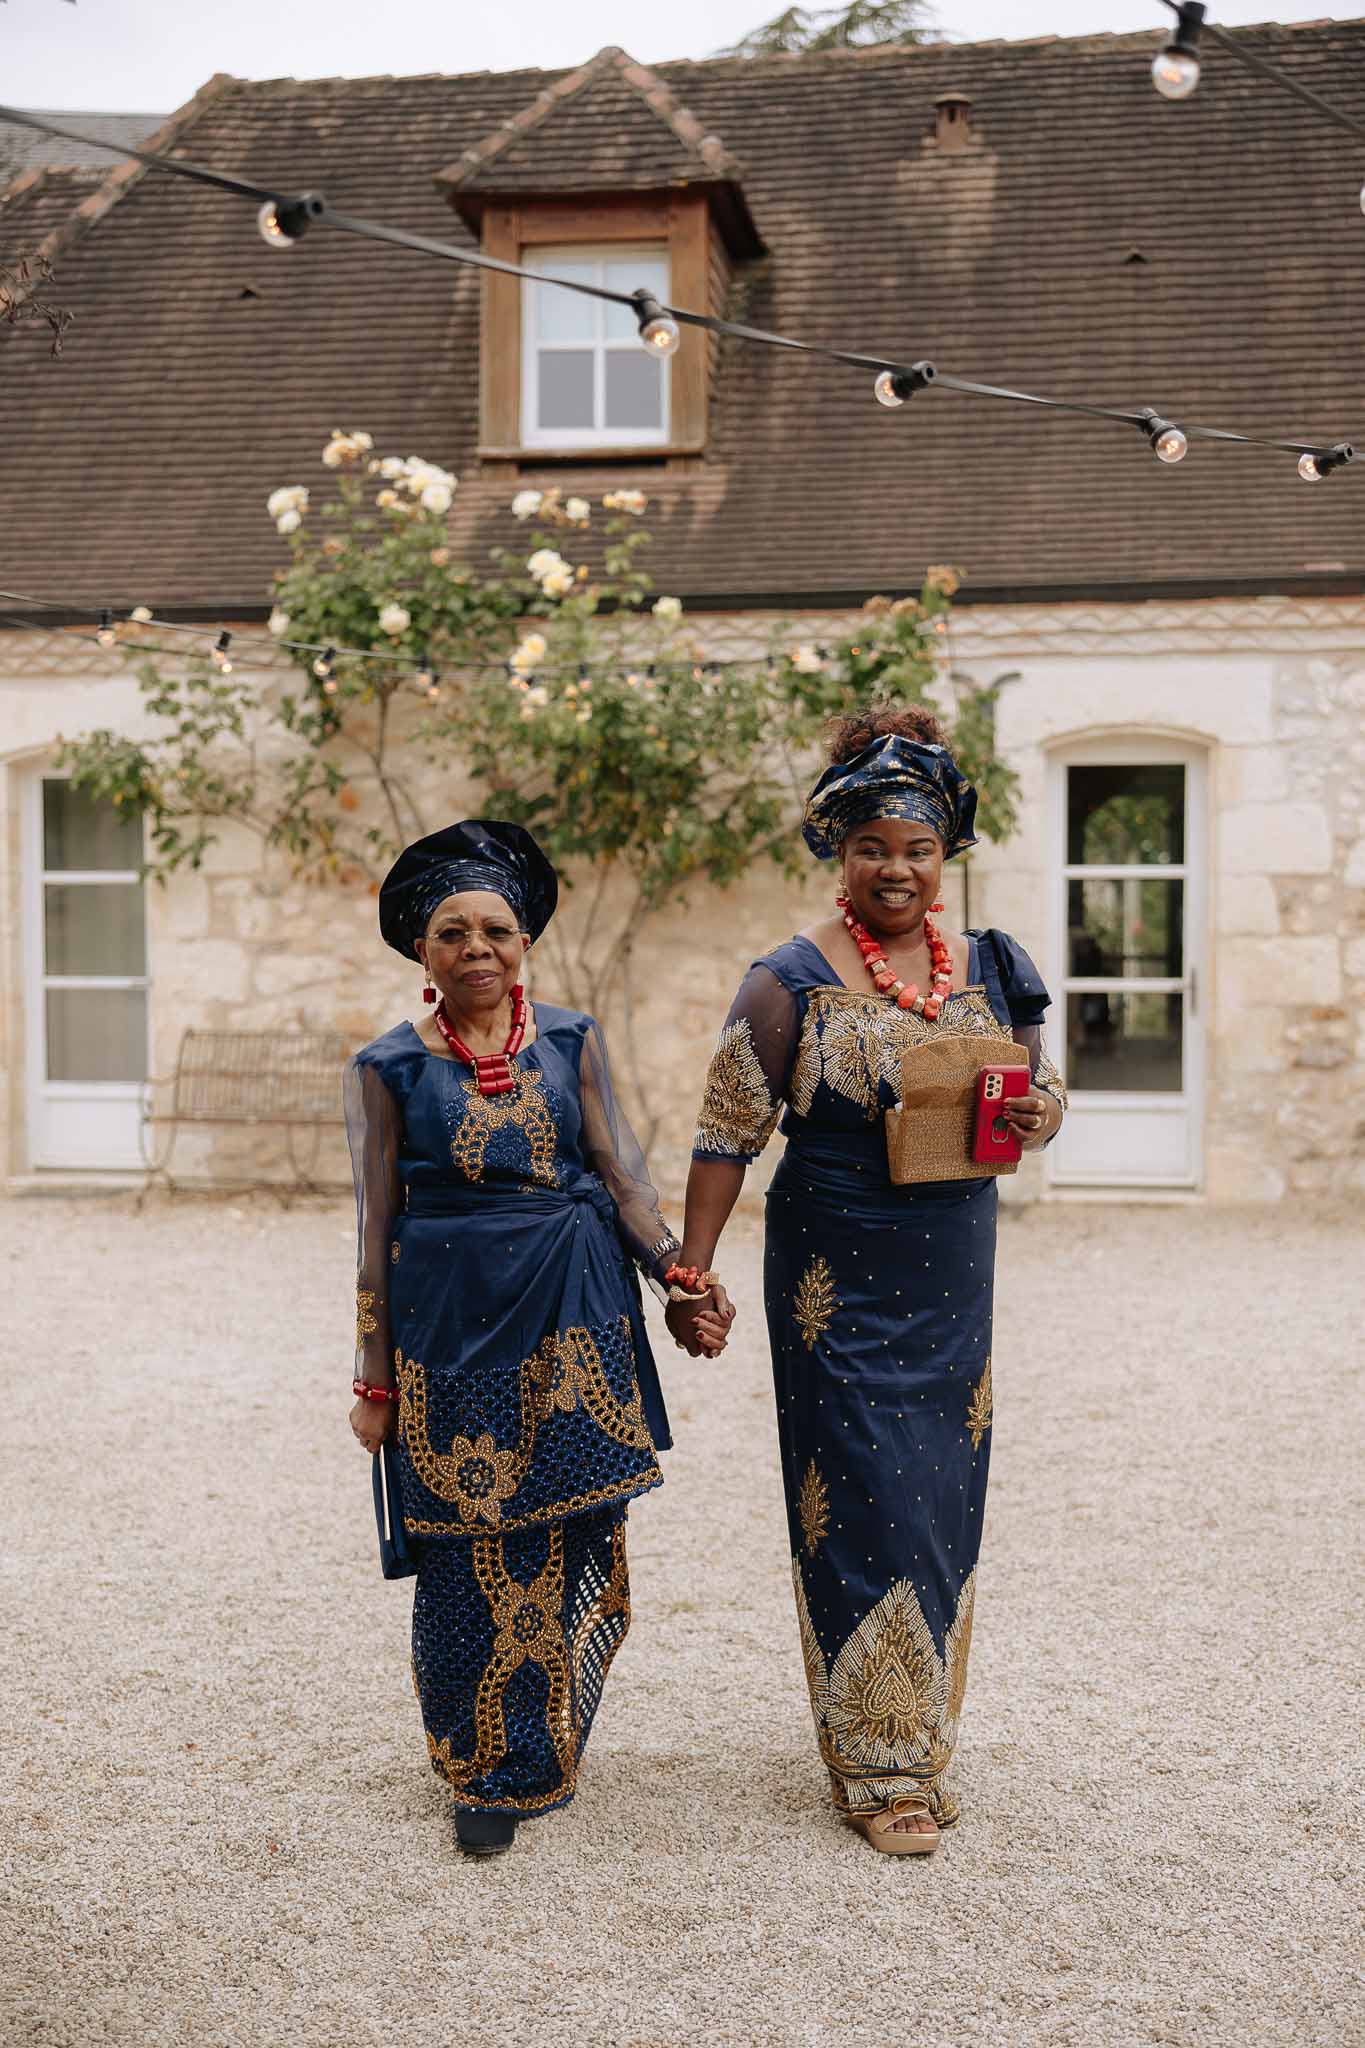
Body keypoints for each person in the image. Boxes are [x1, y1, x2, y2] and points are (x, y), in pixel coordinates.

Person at [678, 709, 1067, 1855]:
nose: (895, 866)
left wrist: (1034, 1113)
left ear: (943, 853)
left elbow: (1038, 1094)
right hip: (835, 1271)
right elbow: (723, 1134)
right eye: (873, 845)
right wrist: (692, 1272)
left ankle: (919, 1730)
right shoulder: (786, 980)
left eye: (917, 847)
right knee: (861, 1488)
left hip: (955, 1269)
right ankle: (877, 1764)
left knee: (942, 1493)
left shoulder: (992, 965)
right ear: (837, 847)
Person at [345, 820, 730, 1857]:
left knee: (562, 1534)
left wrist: (679, 1276)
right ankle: (475, 1761)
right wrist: (372, 1379)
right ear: (422, 953)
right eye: (453, 932)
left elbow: (620, 1177)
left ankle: (538, 1751)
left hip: (575, 1309)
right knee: (464, 1549)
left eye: (497, 930)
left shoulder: (569, 1039)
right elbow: (375, 1229)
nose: (478, 947)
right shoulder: (385, 1066)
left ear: (525, 942)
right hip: (448, 1326)